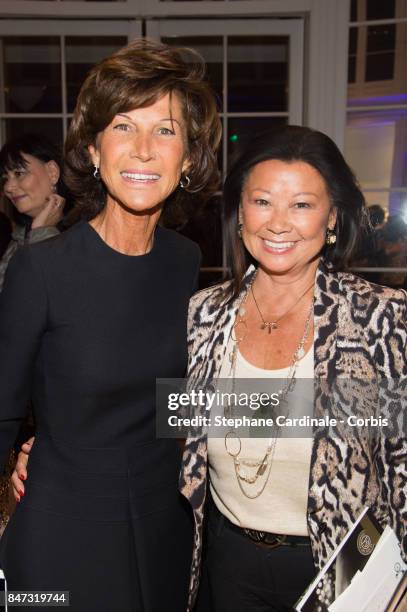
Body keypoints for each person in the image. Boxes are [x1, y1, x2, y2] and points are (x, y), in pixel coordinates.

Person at [0, 38, 220, 611]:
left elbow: (176, 402)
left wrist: (344, 407)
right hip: (60, 534)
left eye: (166, 131)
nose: (145, 150)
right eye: (124, 127)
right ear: (95, 151)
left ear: (189, 159)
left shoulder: (184, 260)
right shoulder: (41, 269)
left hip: (164, 527)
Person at [177, 126, 406, 611]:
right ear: (240, 213)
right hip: (226, 559)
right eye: (262, 202)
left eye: (301, 204)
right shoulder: (204, 313)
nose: (278, 223)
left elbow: (400, 461)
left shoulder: (379, 317)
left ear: (332, 219)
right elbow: (178, 420)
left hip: (341, 563)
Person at [0, 134, 67, 293]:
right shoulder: (20, 236)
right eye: (4, 179)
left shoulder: (81, 234)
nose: (8, 187)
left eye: (19, 173)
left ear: (52, 172)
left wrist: (42, 233)